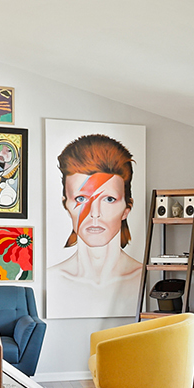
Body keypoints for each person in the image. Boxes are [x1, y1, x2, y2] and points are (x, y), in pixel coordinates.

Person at [49, 133, 142, 314]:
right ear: (66, 205)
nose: (95, 213)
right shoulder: (53, 278)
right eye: (81, 198)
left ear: (126, 209)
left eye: (108, 199)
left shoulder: (143, 278)